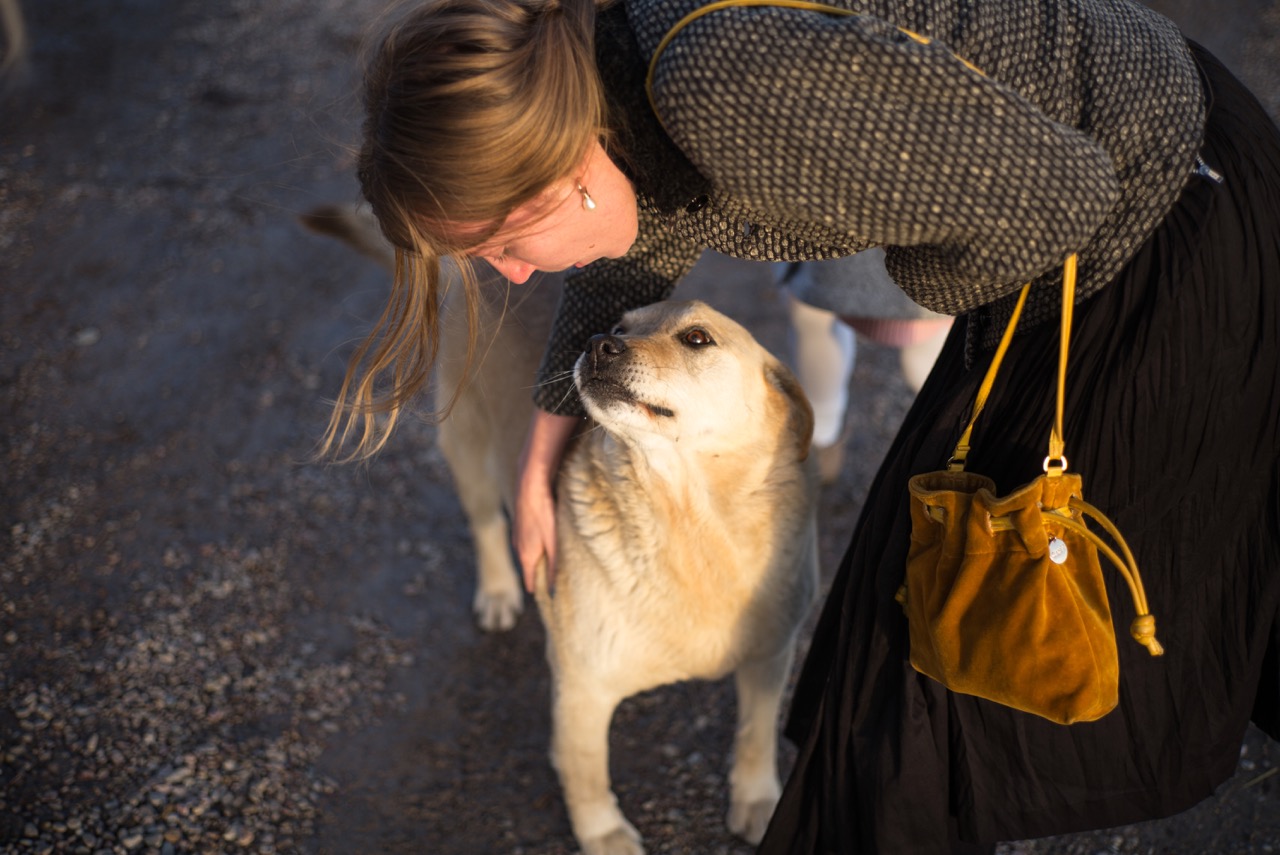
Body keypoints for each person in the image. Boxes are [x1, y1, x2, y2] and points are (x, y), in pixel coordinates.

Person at [326, 0, 1280, 851]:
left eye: (500, 244)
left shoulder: (728, 84)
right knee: (911, 617)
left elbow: (1059, 197)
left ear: (559, 175)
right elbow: (635, 241)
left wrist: (912, 282)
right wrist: (547, 441)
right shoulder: (611, 77)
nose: (516, 276)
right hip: (1083, 207)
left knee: (961, 626)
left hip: (1163, 213)